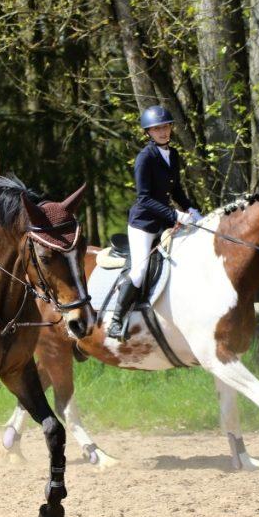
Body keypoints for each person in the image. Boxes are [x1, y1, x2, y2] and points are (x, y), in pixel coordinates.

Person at [107, 105, 202, 341]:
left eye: (166, 126)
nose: (163, 132)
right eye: (157, 128)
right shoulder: (145, 158)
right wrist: (176, 215)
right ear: (148, 132)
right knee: (139, 271)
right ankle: (116, 321)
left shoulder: (173, 154)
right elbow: (144, 199)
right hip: (144, 223)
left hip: (164, 221)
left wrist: (191, 208)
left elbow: (175, 189)